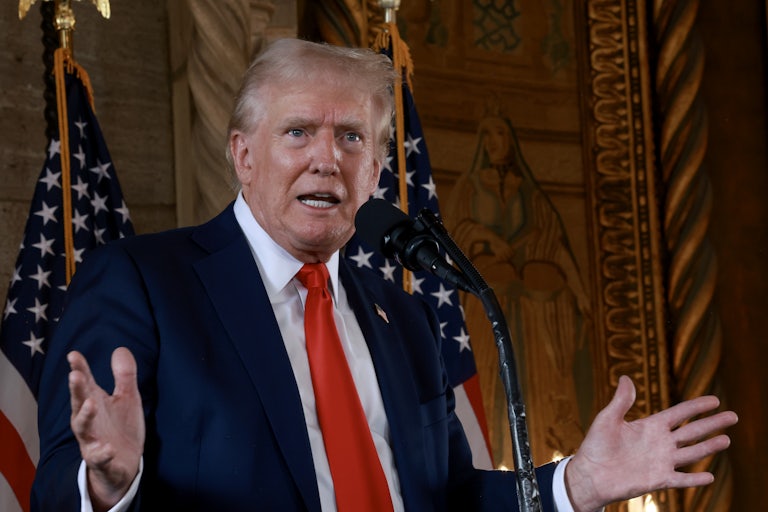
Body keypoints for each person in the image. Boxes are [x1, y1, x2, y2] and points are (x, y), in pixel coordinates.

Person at [31, 38, 737, 512]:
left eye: (351, 138)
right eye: (299, 131)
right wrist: (108, 485)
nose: (326, 159)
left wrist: (573, 485)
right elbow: (59, 486)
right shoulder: (144, 283)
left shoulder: (403, 318)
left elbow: (450, 496)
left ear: (374, 171)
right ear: (243, 155)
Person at [445, 109, 592, 468]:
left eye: (501, 134)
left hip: (529, 309)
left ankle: (541, 463)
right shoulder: (469, 187)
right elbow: (452, 237)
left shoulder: (529, 192)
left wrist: (580, 292)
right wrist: (485, 237)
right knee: (488, 379)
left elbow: (553, 241)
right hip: (486, 307)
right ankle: (490, 464)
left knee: (533, 382)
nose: (496, 143)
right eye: (489, 136)